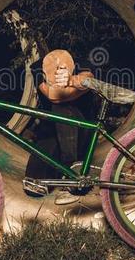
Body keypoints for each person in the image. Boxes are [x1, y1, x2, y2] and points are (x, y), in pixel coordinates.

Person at [24, 49, 94, 204]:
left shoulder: (81, 62)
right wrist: (62, 84)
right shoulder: (38, 66)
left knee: (62, 107)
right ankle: (60, 172)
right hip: (51, 132)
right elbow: (52, 95)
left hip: (79, 128)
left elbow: (87, 80)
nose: (58, 69)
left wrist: (70, 79)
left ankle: (71, 173)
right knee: (34, 187)